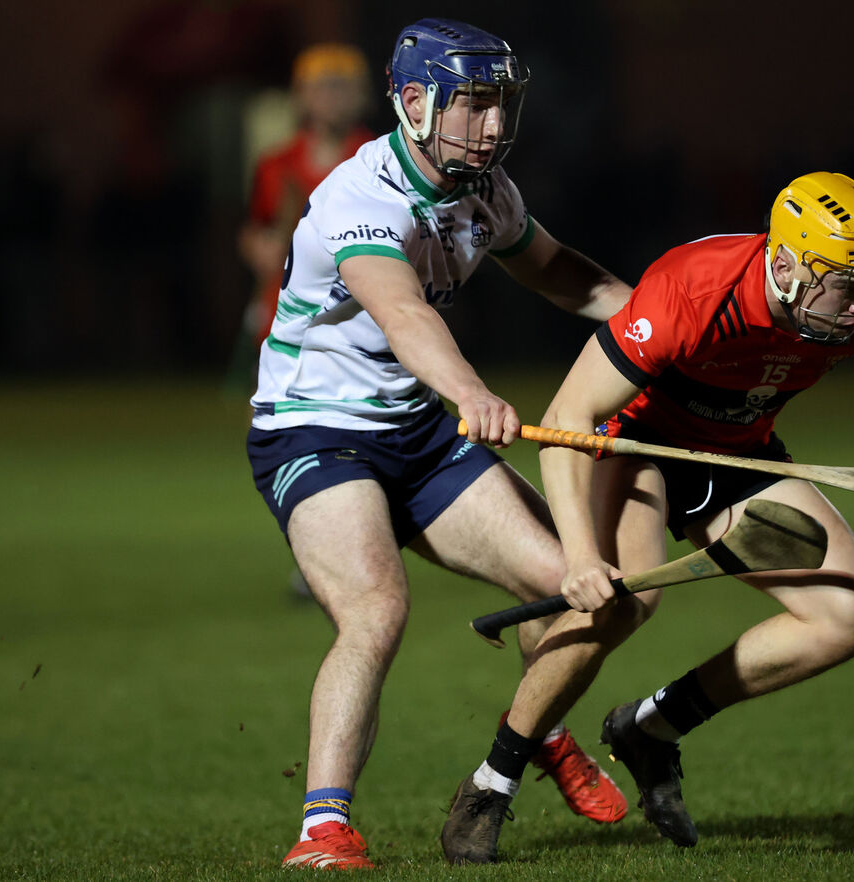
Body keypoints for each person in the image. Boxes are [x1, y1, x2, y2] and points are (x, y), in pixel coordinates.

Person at [441, 171, 854, 860]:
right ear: (788, 265)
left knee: (850, 615)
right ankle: (488, 786)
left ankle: (650, 728)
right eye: (846, 286)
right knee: (618, 606)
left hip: (739, 455)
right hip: (636, 443)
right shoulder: (694, 290)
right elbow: (568, 419)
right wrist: (584, 557)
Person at [245, 19, 633, 871]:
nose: (496, 126)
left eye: (504, 105)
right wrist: (469, 392)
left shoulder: (485, 190)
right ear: (416, 104)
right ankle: (323, 830)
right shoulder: (361, 197)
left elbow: (566, 275)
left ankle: (535, 733)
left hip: (416, 432)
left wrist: (661, 331)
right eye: (477, 106)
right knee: (376, 610)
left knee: (579, 592)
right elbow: (404, 312)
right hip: (317, 430)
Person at [234, 43, 376, 379]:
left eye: (341, 87)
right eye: (321, 87)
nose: (331, 97)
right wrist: (259, 247)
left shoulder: (376, 158)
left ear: (362, 95)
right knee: (274, 420)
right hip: (287, 313)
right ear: (300, 95)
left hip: (359, 315)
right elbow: (255, 226)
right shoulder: (275, 164)